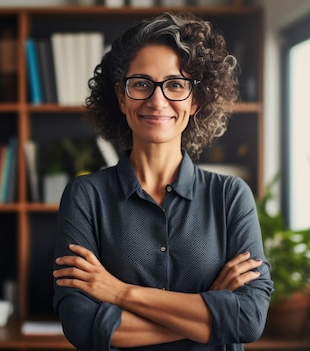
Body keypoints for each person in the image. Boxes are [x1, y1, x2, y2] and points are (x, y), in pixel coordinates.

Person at [52, 12, 273, 350]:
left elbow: (248, 319)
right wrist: (211, 306)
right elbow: (83, 325)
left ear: (195, 99)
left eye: (175, 85)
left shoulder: (230, 197)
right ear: (122, 96)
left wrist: (118, 292)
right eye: (141, 83)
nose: (157, 101)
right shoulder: (85, 196)